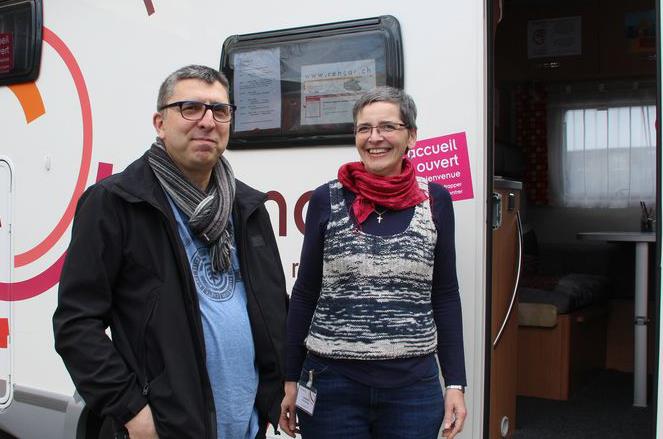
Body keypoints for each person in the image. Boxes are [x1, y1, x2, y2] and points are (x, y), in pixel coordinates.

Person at [53, 65, 287, 439]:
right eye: (190, 108)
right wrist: (132, 411)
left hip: (246, 426)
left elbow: (272, 307)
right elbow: (76, 324)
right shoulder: (115, 203)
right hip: (165, 427)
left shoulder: (248, 207)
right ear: (160, 123)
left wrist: (280, 387)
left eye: (219, 110)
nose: (207, 121)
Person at [279, 86, 467, 439]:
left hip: (413, 390)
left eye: (387, 127)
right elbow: (305, 293)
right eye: (364, 128)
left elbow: (445, 295)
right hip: (331, 386)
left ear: (411, 136)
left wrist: (455, 383)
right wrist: (290, 379)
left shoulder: (435, 200)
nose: (374, 138)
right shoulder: (327, 198)